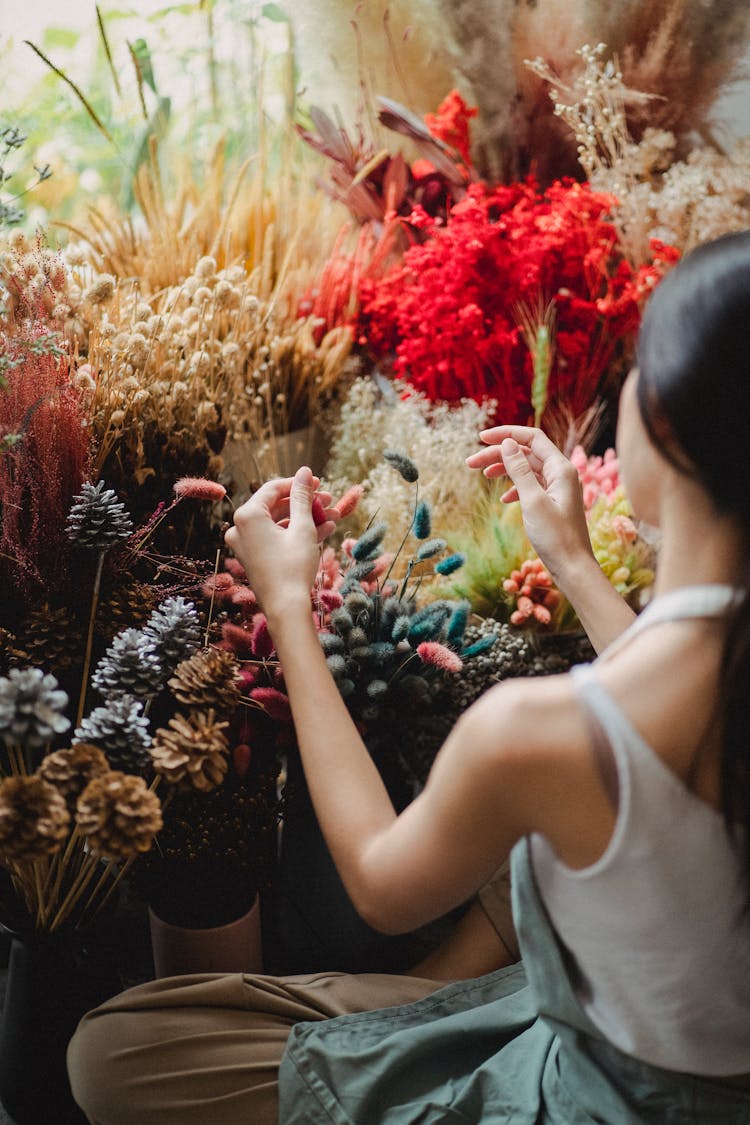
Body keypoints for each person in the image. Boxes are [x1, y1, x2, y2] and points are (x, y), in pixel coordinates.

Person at [68, 231, 750, 1124]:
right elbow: (687, 711)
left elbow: (383, 885)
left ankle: (407, 1030)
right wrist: (575, 565)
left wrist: (287, 609)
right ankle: (417, 1011)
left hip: (590, 1083)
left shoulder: (539, 736)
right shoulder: (681, 691)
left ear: (657, 426)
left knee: (109, 1053)